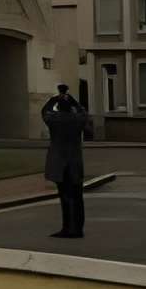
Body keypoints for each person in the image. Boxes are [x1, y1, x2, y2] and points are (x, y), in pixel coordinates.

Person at [42, 81, 93, 238]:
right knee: (77, 197)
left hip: (59, 162)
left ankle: (67, 228)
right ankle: (77, 228)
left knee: (65, 197)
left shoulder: (54, 119)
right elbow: (83, 113)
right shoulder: (77, 119)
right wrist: (72, 100)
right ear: (70, 107)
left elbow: (44, 111)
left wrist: (54, 99)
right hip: (74, 162)